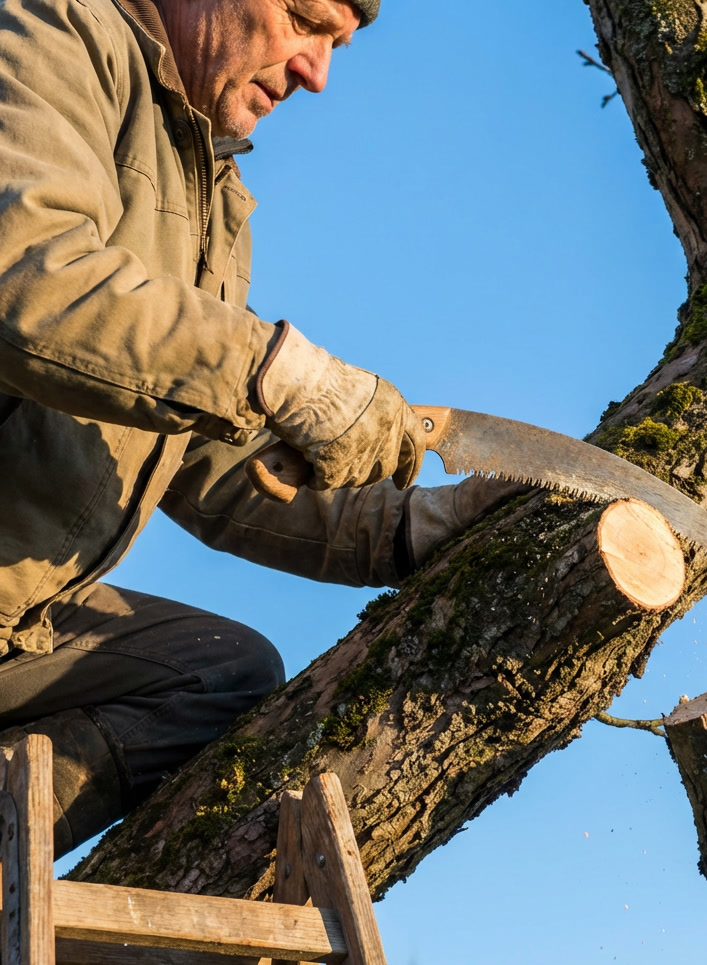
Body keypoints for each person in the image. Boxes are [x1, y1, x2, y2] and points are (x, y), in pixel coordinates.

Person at [0, 0, 519, 857]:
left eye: (337, 45)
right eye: (306, 21)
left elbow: (195, 446)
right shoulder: (50, 33)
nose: (317, 70)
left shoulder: (208, 188)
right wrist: (275, 369)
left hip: (18, 614)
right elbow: (29, 278)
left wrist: (408, 527)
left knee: (216, 672)